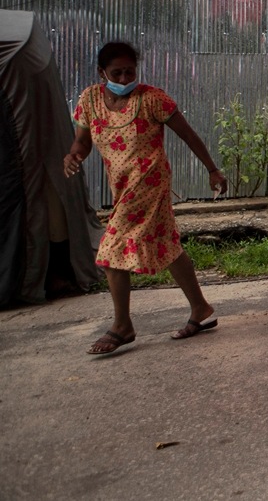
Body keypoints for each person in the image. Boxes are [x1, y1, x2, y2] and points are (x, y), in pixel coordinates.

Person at [64, 42, 228, 355]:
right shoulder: (89, 100)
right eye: (117, 73)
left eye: (130, 72)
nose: (124, 79)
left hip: (150, 182)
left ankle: (122, 326)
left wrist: (212, 170)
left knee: (111, 249)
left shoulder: (152, 99)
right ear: (101, 73)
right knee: (166, 245)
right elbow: (82, 143)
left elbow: (188, 134)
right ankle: (201, 309)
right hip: (121, 187)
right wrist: (73, 156)